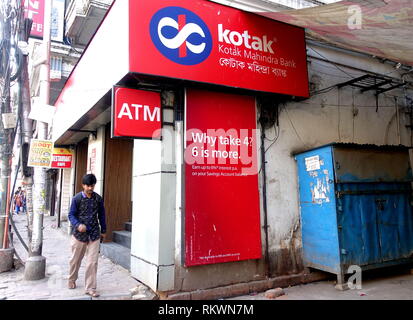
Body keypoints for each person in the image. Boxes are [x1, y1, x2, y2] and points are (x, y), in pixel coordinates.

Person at [68, 173, 106, 297]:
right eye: (88, 186)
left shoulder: (98, 199)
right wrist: (78, 225)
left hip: (94, 234)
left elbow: (102, 215)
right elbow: (71, 215)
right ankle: (72, 279)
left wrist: (104, 230)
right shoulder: (76, 199)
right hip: (79, 235)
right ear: (83, 185)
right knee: (75, 260)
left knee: (92, 262)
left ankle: (90, 287)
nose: (90, 188)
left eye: (92, 186)